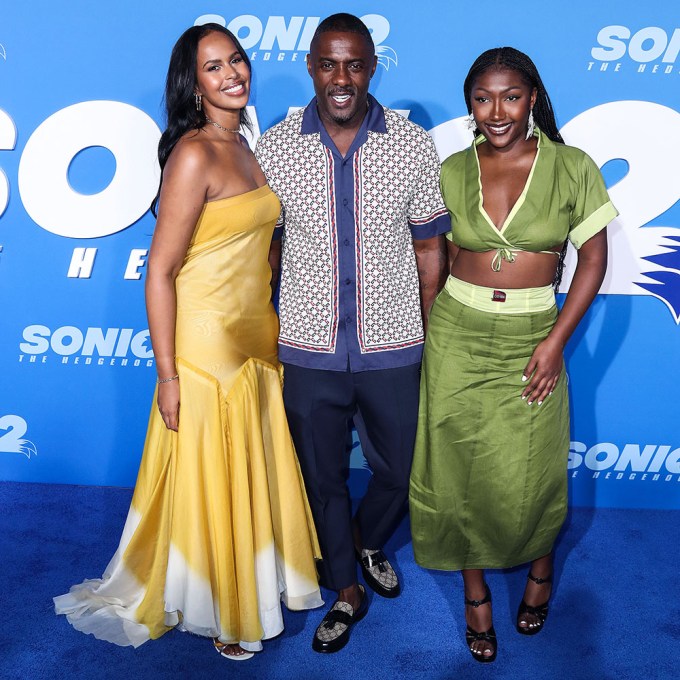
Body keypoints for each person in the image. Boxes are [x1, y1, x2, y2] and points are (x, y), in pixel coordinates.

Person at [54, 23, 322, 661]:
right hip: (207, 350)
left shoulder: (248, 147)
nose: (232, 74)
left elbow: (257, 244)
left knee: (242, 474)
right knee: (211, 478)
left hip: (257, 336)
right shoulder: (195, 154)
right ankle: (229, 611)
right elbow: (162, 271)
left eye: (236, 60)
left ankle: (250, 587)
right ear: (193, 84)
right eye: (213, 68)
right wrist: (169, 375)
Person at [409, 47, 617, 663]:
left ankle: (539, 573)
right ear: (470, 104)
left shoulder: (572, 166)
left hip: (533, 334)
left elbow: (595, 259)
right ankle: (475, 597)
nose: (496, 111)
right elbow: (437, 262)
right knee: (457, 469)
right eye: (482, 98)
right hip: (457, 329)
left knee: (533, 470)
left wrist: (555, 342)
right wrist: (432, 337)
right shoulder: (451, 168)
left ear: (532, 99)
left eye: (511, 96)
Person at [256, 13, 449, 654]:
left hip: (393, 342)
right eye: (329, 64)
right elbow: (269, 249)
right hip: (308, 346)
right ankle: (345, 588)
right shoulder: (278, 147)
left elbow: (430, 251)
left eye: (355, 64)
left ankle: (365, 541)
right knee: (322, 475)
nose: (342, 78)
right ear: (312, 65)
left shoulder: (413, 145)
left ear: (372, 68)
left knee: (398, 470)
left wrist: (420, 327)